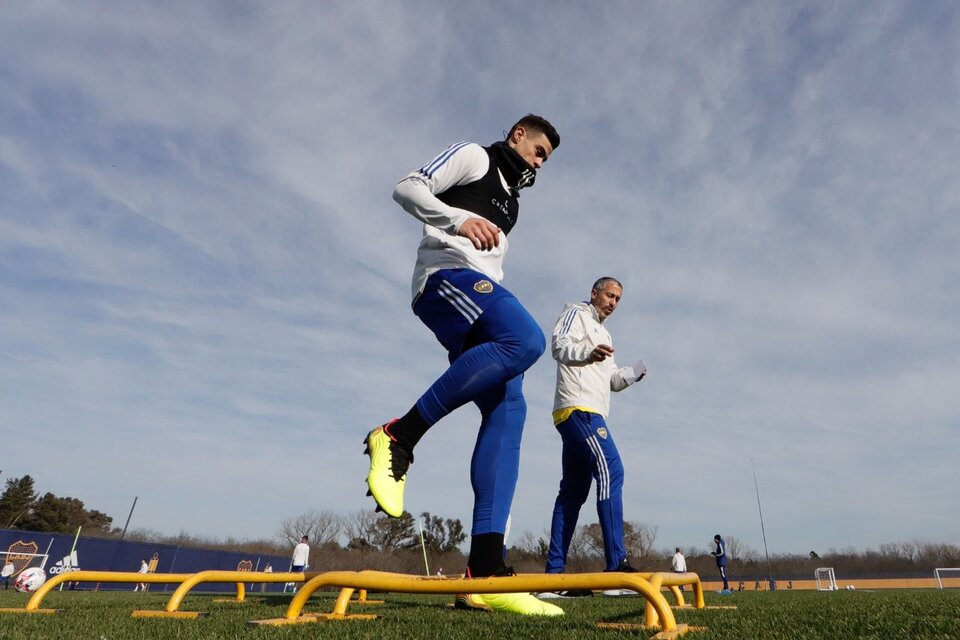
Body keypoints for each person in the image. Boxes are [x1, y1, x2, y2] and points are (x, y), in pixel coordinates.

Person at [363, 114, 562, 616]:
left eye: (547, 160)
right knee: (527, 339)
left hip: (479, 291)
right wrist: (458, 220)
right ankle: (399, 434)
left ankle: (485, 572)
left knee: (509, 409)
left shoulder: (511, 203)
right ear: (518, 134)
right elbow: (407, 187)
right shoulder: (476, 155)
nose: (540, 163)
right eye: (539, 151)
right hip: (445, 278)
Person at [542, 277, 647, 586]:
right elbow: (559, 346)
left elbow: (610, 379)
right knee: (611, 471)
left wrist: (631, 375)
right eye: (609, 295)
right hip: (579, 410)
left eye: (618, 299)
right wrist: (588, 352)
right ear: (594, 293)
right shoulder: (576, 313)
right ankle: (616, 566)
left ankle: (553, 579)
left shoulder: (605, 333)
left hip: (589, 412)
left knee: (573, 492)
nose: (613, 303)